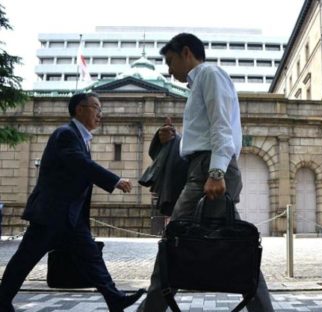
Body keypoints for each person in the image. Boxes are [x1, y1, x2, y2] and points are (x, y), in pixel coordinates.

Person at [137, 33, 274, 312]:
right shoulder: (201, 81)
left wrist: (216, 172)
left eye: (171, 60)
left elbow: (221, 124)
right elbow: (210, 128)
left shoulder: (209, 74)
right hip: (205, 167)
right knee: (235, 243)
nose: (169, 69)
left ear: (186, 53)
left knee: (173, 239)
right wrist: (173, 140)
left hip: (208, 170)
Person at [0, 92, 145, 312]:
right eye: (96, 108)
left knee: (92, 258)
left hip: (70, 217)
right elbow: (80, 164)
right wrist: (114, 180)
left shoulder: (81, 139)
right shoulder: (65, 134)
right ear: (80, 109)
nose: (100, 114)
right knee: (25, 260)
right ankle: (2, 300)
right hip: (51, 214)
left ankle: (115, 298)